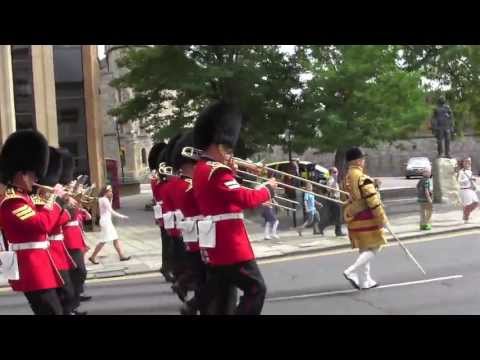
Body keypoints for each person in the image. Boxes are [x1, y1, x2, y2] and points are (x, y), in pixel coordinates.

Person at [193, 100, 277, 315]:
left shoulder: (203, 168)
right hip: (230, 243)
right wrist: (268, 189)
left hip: (218, 239)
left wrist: (232, 172)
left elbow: (225, 196)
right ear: (218, 144)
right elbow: (245, 198)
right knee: (256, 289)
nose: (230, 153)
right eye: (228, 148)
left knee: (220, 282)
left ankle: (192, 305)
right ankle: (193, 305)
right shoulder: (216, 171)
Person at [0, 130, 71, 315]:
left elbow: (51, 224)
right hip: (31, 268)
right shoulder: (12, 201)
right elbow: (40, 225)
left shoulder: (25, 198)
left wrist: (63, 207)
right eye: (33, 175)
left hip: (41, 265)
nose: (36, 179)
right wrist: (54, 202)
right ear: (22, 174)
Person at [342, 147, 388, 290]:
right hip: (367, 218)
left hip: (354, 218)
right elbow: (373, 201)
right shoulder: (362, 177)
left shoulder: (346, 178)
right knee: (376, 245)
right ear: (357, 161)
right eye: (362, 158)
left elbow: (345, 198)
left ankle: (365, 280)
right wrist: (382, 219)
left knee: (364, 249)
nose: (363, 161)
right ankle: (351, 271)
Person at [148, 142, 175, 282]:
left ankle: (168, 267)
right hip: (166, 211)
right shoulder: (158, 176)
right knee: (170, 242)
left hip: (165, 211)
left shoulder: (160, 174)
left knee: (169, 241)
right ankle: (168, 267)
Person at [88, 185, 130, 264]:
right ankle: (93, 256)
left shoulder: (103, 199)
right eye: (110, 191)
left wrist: (112, 198)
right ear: (105, 192)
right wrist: (122, 216)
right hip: (106, 222)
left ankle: (121, 256)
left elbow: (108, 208)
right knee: (103, 241)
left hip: (106, 221)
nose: (111, 192)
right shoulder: (104, 200)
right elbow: (111, 211)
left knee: (115, 238)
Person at [318, 167, 345, 236]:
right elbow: (330, 190)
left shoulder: (333, 180)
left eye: (337, 172)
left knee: (334, 216)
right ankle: (337, 231)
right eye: (335, 172)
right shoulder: (331, 180)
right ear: (331, 173)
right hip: (333, 199)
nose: (337, 173)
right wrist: (335, 181)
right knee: (337, 216)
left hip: (336, 199)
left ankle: (322, 226)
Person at [457, 157, 478, 223]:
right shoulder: (461, 172)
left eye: (469, 161)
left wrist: (474, 183)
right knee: (468, 205)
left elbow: (471, 180)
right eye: (466, 161)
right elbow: (459, 181)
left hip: (470, 189)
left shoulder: (470, 171)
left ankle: (465, 214)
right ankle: (466, 218)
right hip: (464, 190)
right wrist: (468, 179)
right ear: (463, 163)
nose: (468, 163)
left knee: (476, 203)